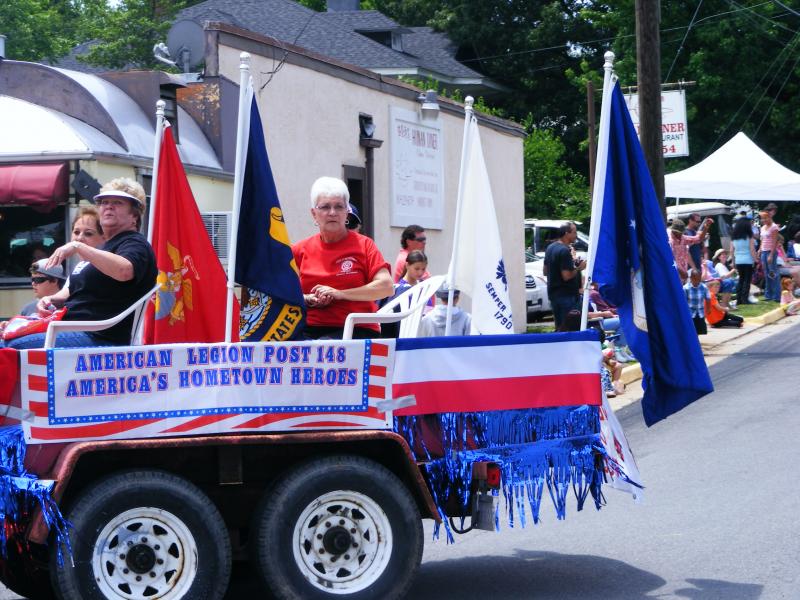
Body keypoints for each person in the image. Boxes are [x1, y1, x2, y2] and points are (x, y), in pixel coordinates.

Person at [3, 178, 157, 349]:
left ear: (134, 215)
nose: (108, 206)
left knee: (7, 345)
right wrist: (50, 300)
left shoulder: (135, 243)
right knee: (6, 337)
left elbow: (124, 271)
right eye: (104, 202)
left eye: (118, 202)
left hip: (99, 337)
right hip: (71, 328)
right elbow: (71, 294)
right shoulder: (106, 248)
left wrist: (78, 247)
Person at [292, 176, 393, 339]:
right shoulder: (299, 250)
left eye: (339, 206)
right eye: (325, 207)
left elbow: (386, 286)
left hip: (356, 328)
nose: (332, 212)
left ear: (347, 212)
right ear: (314, 214)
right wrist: (306, 298)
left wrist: (340, 294)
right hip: (308, 328)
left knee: (322, 351)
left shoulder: (364, 245)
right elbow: (284, 291)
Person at [543, 222, 586, 329]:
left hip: (554, 295)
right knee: (570, 328)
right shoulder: (564, 251)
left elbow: (545, 271)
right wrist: (579, 268)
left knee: (560, 328)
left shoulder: (550, 248)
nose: (576, 235)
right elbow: (566, 276)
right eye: (574, 232)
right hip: (567, 296)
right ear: (567, 233)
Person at [668, 218, 710, 283]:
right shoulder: (670, 242)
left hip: (682, 276)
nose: (680, 235)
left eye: (681, 233)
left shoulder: (683, 238)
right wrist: (681, 272)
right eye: (678, 233)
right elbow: (668, 260)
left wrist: (705, 228)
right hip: (673, 274)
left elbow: (698, 239)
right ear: (673, 231)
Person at [730, 215, 758, 305]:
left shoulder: (734, 237)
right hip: (748, 260)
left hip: (738, 261)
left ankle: (738, 299)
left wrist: (733, 262)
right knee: (747, 280)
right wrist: (756, 260)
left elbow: (731, 250)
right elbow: (752, 249)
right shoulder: (749, 236)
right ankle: (745, 299)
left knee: (741, 280)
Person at [759, 210, 781, 301]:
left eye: (765, 218)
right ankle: (768, 295)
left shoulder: (774, 227)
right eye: (762, 218)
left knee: (772, 273)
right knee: (766, 273)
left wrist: (771, 255)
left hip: (770, 252)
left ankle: (776, 296)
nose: (763, 220)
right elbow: (762, 240)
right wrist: (759, 250)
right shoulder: (763, 227)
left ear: (769, 217)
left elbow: (775, 241)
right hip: (763, 251)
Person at [684, 269, 711, 335]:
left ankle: (697, 341)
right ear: (691, 278)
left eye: (699, 279)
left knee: (699, 330)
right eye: (695, 279)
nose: (697, 281)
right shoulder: (686, 288)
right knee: (691, 330)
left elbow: (708, 299)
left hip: (700, 312)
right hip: (690, 313)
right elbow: (684, 301)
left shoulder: (704, 287)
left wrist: (708, 309)